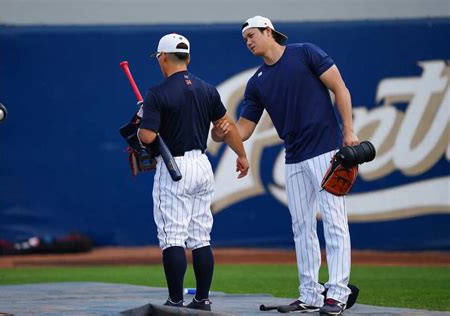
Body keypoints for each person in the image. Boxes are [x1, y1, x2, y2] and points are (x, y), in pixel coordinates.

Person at [212, 16, 359, 315]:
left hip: (327, 149)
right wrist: (222, 131)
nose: (248, 42)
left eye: (252, 35)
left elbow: (340, 88)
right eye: (245, 39)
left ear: (268, 31)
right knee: (301, 226)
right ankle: (310, 294)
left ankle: (338, 293)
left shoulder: (305, 53)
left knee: (334, 221)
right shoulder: (257, 83)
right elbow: (243, 130)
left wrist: (349, 131)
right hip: (293, 157)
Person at [138, 33, 249, 311]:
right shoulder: (208, 89)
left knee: (172, 237)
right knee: (201, 236)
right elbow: (227, 127)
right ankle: (202, 300)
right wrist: (242, 155)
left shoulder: (157, 93)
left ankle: (175, 301)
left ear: (163, 57)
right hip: (202, 165)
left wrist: (142, 120)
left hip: (174, 167)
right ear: (187, 57)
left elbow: (148, 137)